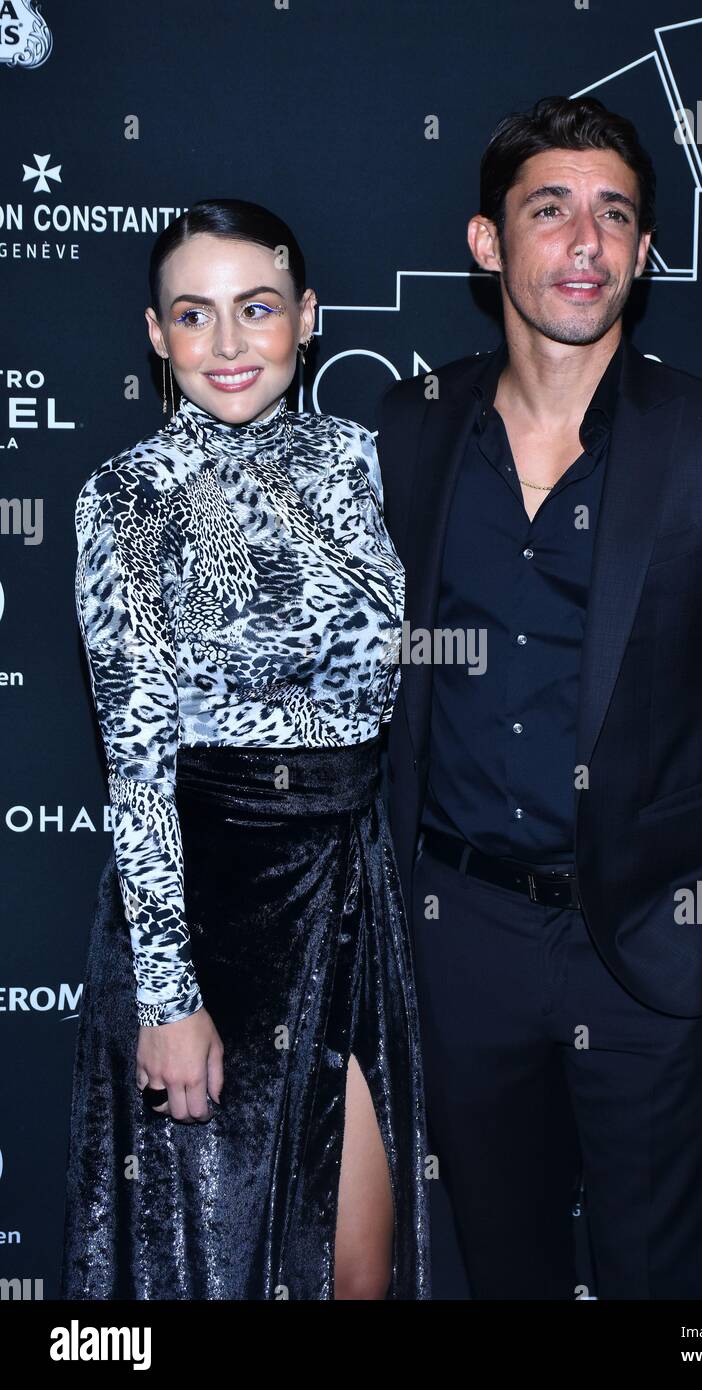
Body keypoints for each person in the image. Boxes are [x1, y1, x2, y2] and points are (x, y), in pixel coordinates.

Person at [374, 96, 702, 1299]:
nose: (584, 240)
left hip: (649, 949)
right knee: (501, 1270)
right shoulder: (411, 432)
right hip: (458, 940)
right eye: (550, 209)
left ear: (638, 252)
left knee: (655, 1282)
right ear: (487, 244)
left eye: (613, 214)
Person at [61, 199, 429, 1300]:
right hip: (211, 899)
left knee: (355, 1273)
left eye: (255, 309)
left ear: (306, 318)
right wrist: (167, 995)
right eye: (194, 315)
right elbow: (135, 761)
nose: (226, 346)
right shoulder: (126, 497)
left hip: (351, 892)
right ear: (155, 334)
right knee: (214, 1273)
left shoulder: (372, 465)